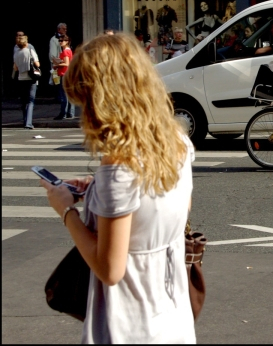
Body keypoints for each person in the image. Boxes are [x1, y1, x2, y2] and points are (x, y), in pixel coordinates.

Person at [40, 33, 197, 343]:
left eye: (84, 101)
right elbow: (175, 206)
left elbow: (110, 269)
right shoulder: (176, 143)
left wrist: (66, 210)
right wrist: (96, 189)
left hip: (127, 326)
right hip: (173, 318)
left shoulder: (119, 169)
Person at [13, 35, 40, 129]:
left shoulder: (16, 53)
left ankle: (25, 120)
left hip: (21, 78)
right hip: (31, 78)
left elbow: (15, 68)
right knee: (30, 101)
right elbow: (37, 63)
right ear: (25, 43)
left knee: (24, 101)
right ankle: (28, 123)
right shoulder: (30, 50)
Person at [53, 35, 75, 120]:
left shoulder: (65, 51)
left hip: (64, 74)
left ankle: (63, 113)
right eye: (59, 40)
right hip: (68, 73)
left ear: (67, 41)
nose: (60, 42)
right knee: (69, 94)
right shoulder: (68, 50)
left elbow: (66, 63)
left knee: (64, 95)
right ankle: (70, 113)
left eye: (62, 41)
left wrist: (57, 65)